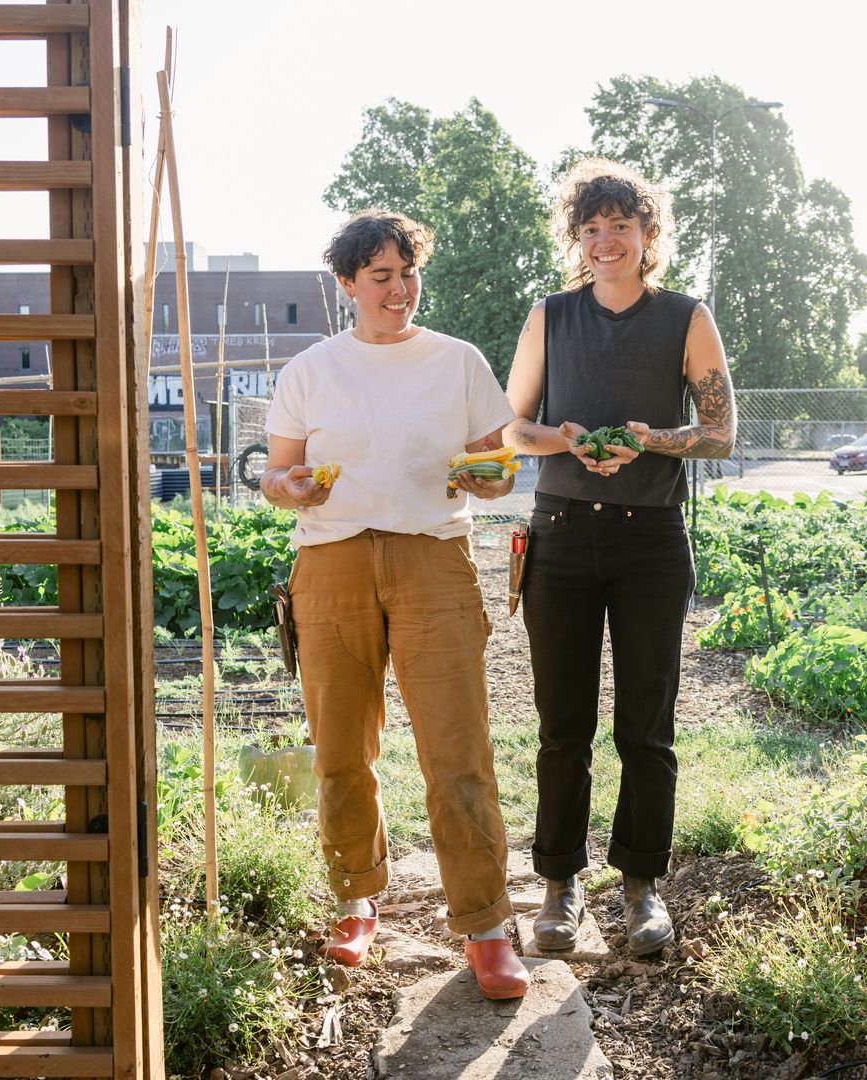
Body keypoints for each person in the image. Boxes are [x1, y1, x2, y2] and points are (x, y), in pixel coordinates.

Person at [261, 209, 528, 1000]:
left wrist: (492, 477)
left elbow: (499, 466)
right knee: (343, 748)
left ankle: (484, 925)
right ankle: (356, 902)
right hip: (332, 564)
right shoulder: (310, 369)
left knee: (458, 751)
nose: (399, 290)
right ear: (348, 284)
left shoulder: (459, 361)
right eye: (381, 277)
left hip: (433, 561)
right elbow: (278, 478)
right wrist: (292, 487)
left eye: (408, 274)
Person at [504, 159, 736, 955]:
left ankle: (642, 887)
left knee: (647, 725)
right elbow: (512, 427)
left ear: (647, 234)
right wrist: (566, 438)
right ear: (579, 238)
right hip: (562, 534)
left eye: (621, 226)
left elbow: (719, 431)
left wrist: (652, 441)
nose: (606, 241)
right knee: (562, 725)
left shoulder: (685, 317)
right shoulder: (550, 315)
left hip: (651, 544)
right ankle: (559, 884)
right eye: (591, 228)